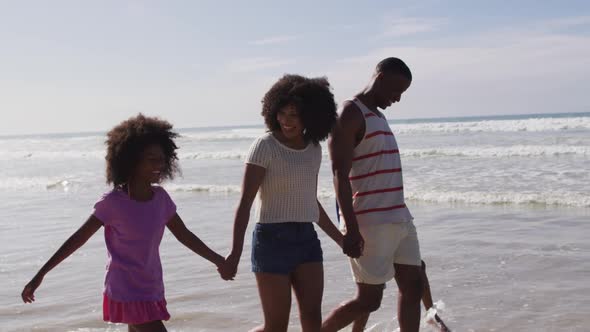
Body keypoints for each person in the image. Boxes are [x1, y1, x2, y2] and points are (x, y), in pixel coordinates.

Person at [21, 114, 225, 332]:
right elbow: (77, 239)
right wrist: (40, 274)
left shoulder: (161, 199)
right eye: (151, 159)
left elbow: (185, 235)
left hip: (150, 287)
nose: (160, 164)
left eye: (162, 158)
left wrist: (219, 260)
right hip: (125, 289)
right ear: (132, 161)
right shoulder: (113, 203)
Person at [219, 74, 343, 332]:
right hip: (271, 240)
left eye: (295, 115)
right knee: (276, 327)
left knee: (312, 320)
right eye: (283, 113)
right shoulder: (264, 146)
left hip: (307, 240)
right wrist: (235, 252)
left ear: (310, 116)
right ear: (273, 111)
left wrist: (340, 240)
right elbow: (245, 203)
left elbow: (310, 201)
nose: (286, 121)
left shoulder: (314, 149)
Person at [322, 58, 424, 332]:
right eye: (396, 91)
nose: (398, 99)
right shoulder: (350, 113)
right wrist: (351, 230)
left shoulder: (378, 115)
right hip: (370, 223)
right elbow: (338, 175)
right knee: (369, 300)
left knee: (412, 286)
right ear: (379, 78)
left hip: (399, 217)